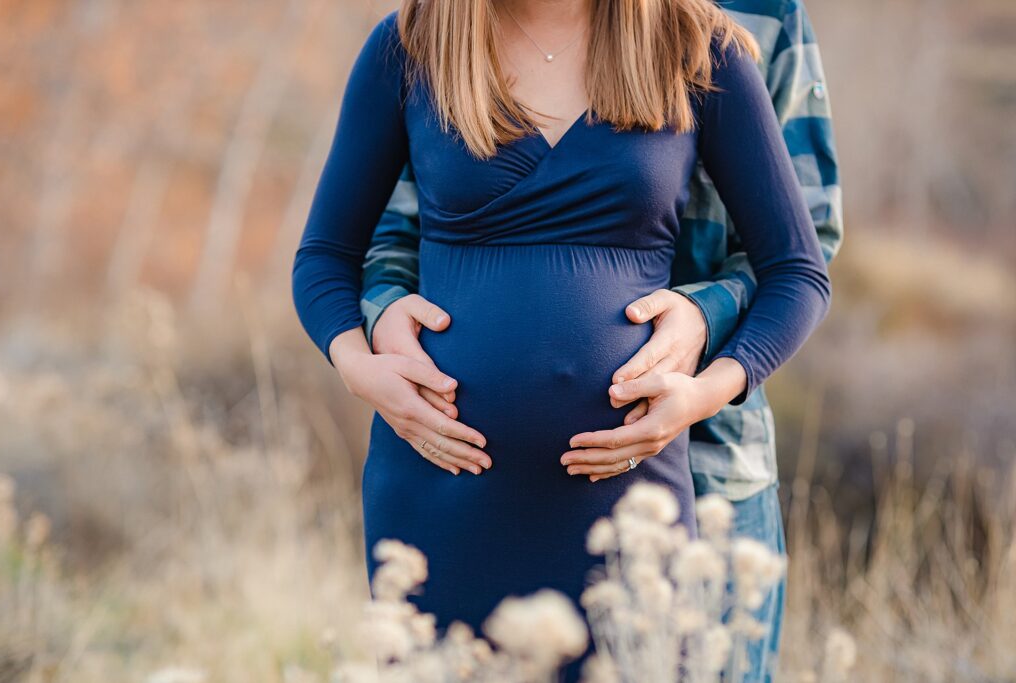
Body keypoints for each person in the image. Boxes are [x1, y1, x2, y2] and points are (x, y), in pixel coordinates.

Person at [292, 1, 832, 680]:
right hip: (442, 493)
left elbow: (798, 270)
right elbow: (325, 253)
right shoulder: (414, 43)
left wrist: (704, 391)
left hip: (629, 508)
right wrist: (355, 361)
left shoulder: (696, 44)